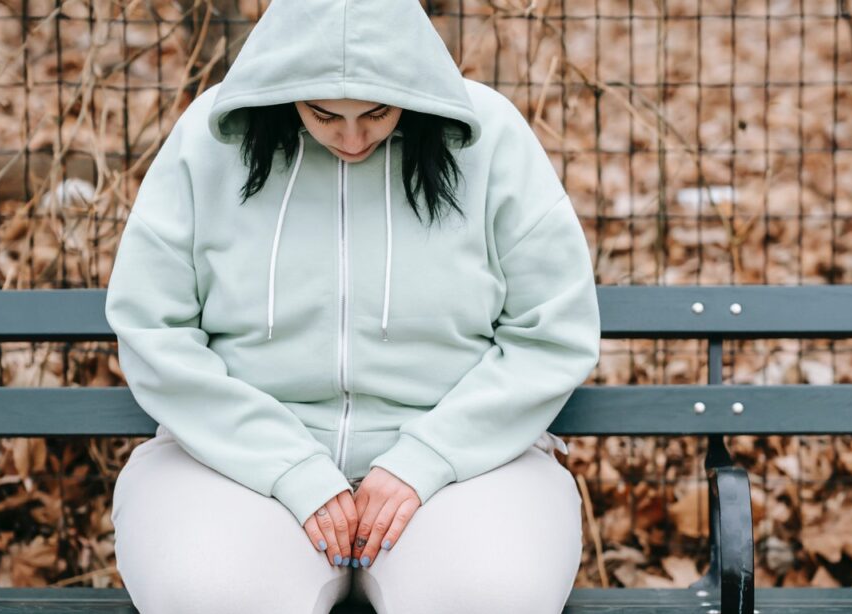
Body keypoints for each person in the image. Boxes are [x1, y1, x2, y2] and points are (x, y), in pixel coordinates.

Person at [103, 0, 600, 612]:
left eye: (377, 111)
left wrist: (428, 458)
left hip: (469, 466)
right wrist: (288, 466)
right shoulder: (208, 140)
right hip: (233, 464)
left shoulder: (490, 136)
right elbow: (155, 326)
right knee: (210, 594)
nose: (353, 137)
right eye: (323, 113)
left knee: (490, 596)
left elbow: (551, 329)